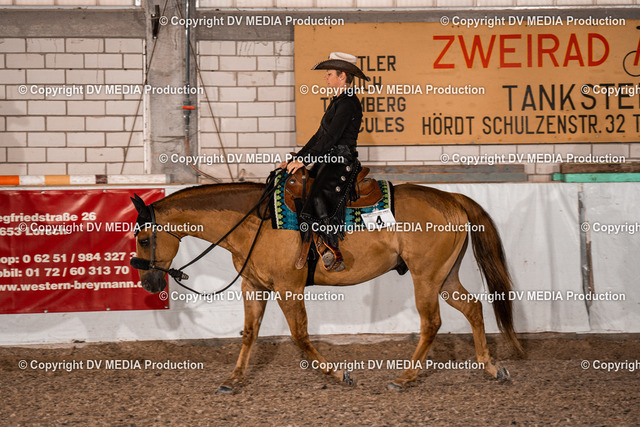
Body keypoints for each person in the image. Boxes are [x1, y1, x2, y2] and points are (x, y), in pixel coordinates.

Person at [279, 52, 370, 272]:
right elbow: (319, 136)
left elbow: (331, 138)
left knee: (319, 194)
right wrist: (298, 159)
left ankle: (331, 249)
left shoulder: (348, 103)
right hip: (329, 159)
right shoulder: (337, 102)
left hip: (342, 160)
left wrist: (305, 159)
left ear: (342, 76)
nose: (325, 77)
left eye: (329, 74)